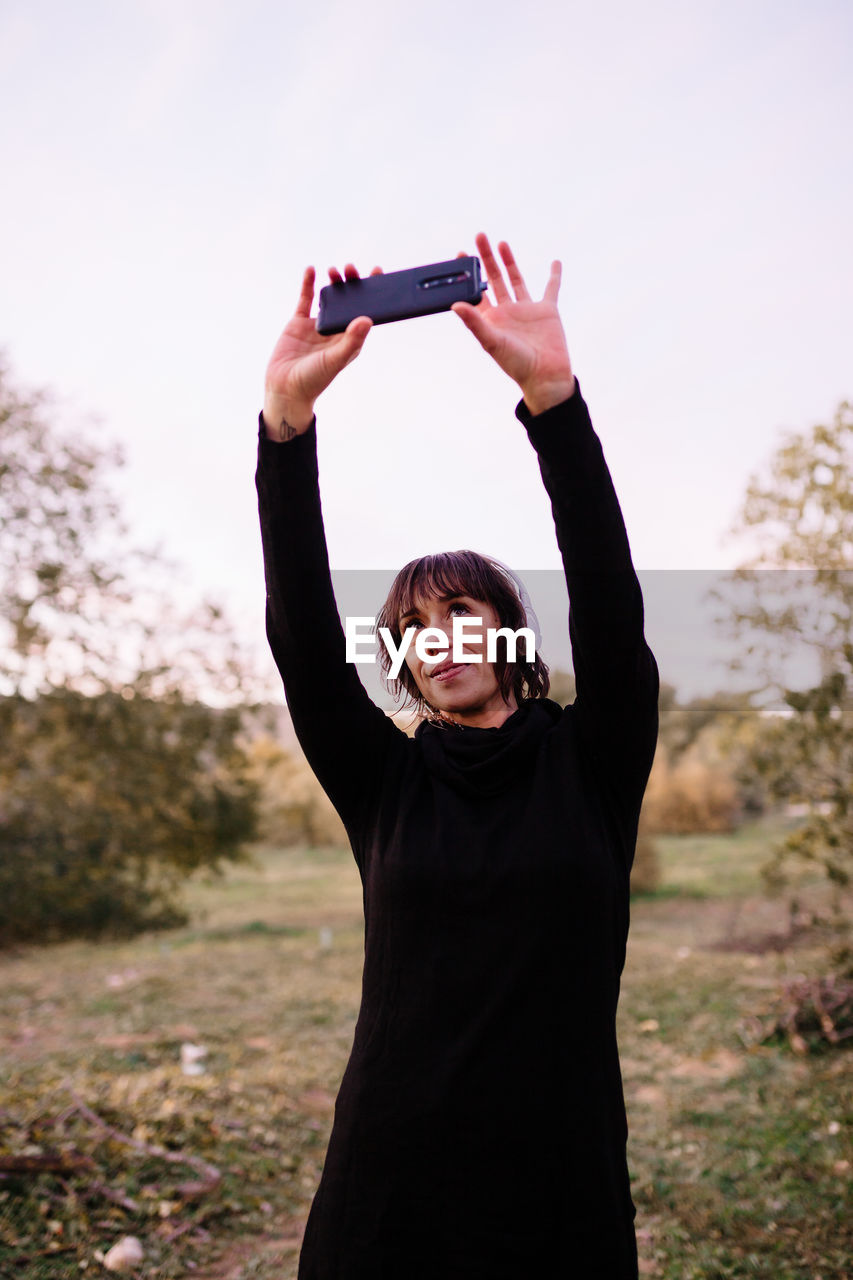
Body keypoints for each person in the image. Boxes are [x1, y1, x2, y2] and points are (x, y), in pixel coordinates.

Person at [256, 234, 659, 1279]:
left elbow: (611, 609)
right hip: (392, 1186)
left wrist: (554, 406)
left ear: (509, 633)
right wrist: (286, 430)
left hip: (557, 1178)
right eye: (415, 628)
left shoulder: (593, 763)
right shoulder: (384, 783)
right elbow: (301, 637)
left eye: (462, 612)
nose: (440, 640)